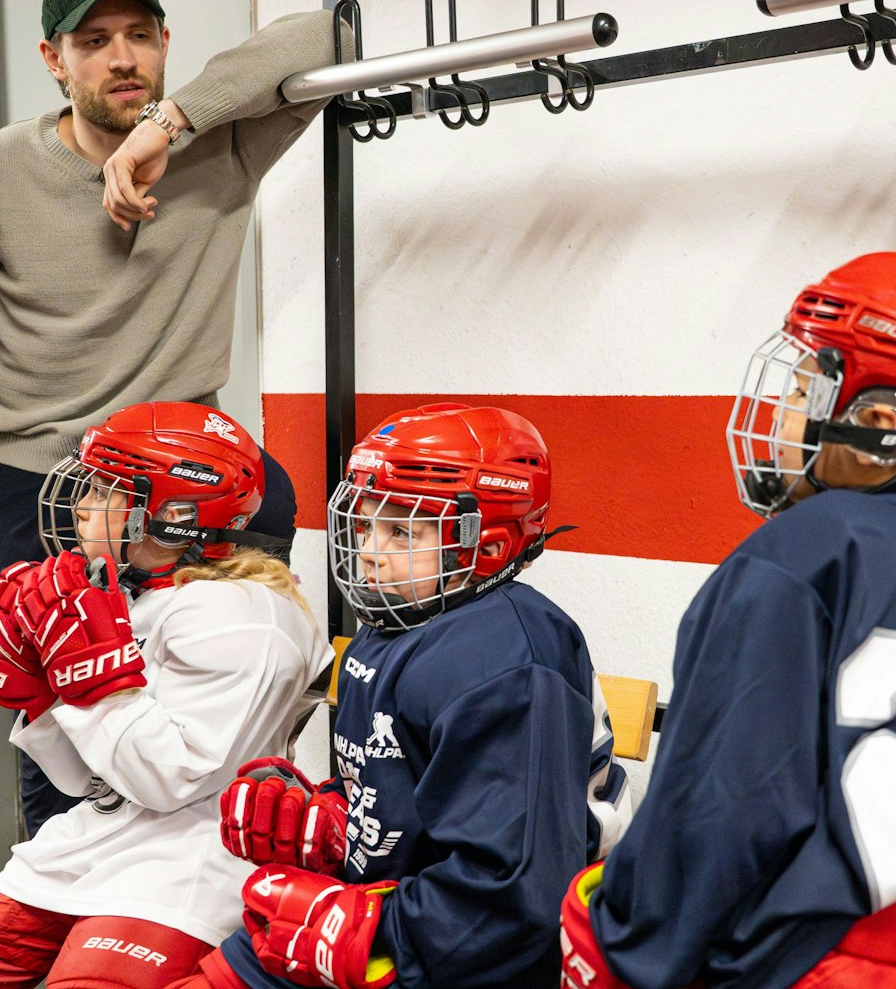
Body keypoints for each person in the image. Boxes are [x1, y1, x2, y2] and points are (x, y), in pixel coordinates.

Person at [0, 0, 327, 832]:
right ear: (55, 59)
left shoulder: (220, 145)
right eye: (93, 41)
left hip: (194, 488)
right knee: (68, 745)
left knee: (238, 710)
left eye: (138, 35)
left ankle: (219, 903)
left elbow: (326, 33)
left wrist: (169, 126)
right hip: (42, 487)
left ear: (165, 43)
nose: (121, 58)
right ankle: (55, 910)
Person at [560, 251, 896, 989]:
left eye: (812, 384)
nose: (785, 409)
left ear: (878, 422)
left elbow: (717, 819)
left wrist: (623, 931)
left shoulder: (794, 558)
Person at [179, 402, 631, 989]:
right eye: (367, 524)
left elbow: (519, 890)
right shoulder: (400, 620)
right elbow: (402, 790)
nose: (369, 549)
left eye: (403, 530)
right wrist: (334, 818)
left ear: (486, 544)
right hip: (403, 914)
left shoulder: (506, 660)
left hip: (469, 953)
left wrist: (369, 926)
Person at [0, 402, 333, 988]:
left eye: (105, 491)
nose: (81, 504)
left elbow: (168, 781)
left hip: (185, 858)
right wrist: (43, 696)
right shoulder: (127, 590)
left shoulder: (245, 618)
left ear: (175, 515)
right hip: (98, 834)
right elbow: (86, 781)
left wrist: (91, 678)